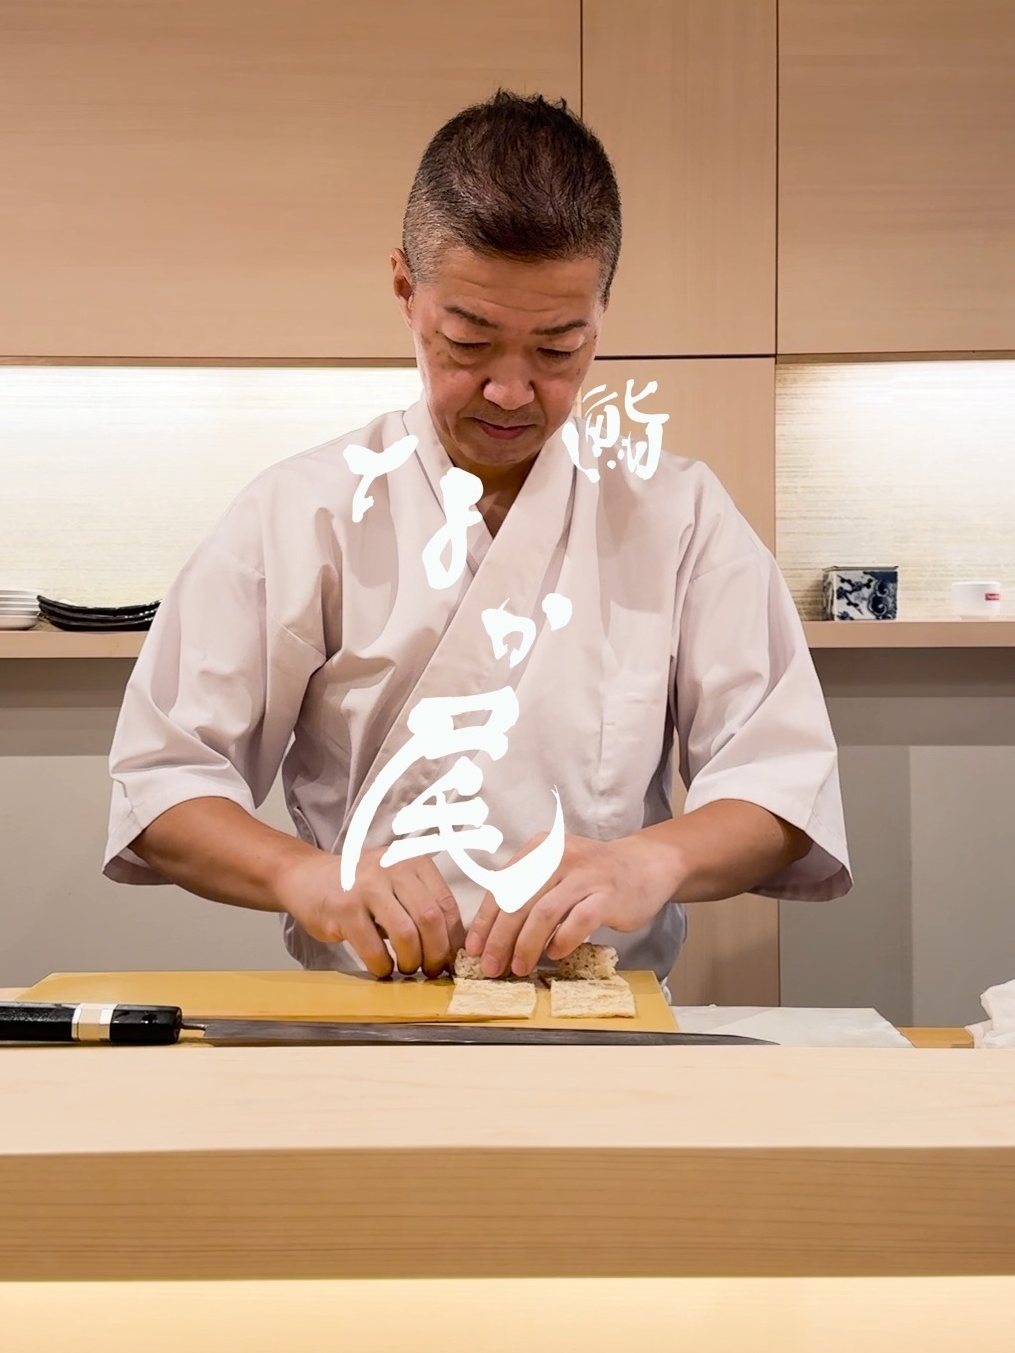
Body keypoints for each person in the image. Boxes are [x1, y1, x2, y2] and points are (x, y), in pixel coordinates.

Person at [104, 90, 850, 981]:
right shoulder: (302, 512)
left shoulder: (678, 516)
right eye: (468, 340)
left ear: (603, 315)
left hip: (603, 1025)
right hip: (367, 1023)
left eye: (559, 349)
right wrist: (303, 873)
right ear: (404, 290)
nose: (509, 390)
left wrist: (647, 861)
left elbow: (780, 782)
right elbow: (163, 781)